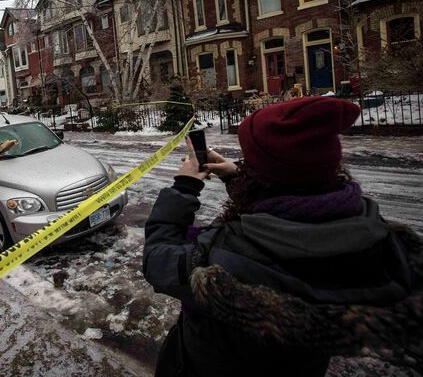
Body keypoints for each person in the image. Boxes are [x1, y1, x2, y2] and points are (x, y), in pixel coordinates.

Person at [143, 96, 422, 377]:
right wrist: (239, 177)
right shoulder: (376, 237)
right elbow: (294, 203)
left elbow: (158, 261)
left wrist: (184, 187)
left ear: (263, 175)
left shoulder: (227, 258)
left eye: (251, 160)